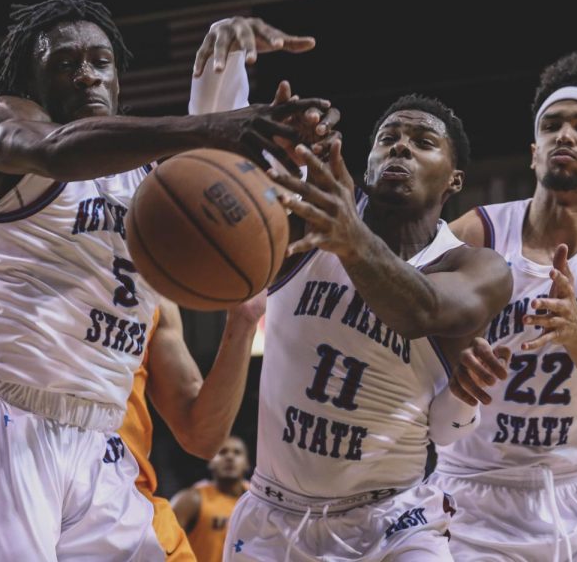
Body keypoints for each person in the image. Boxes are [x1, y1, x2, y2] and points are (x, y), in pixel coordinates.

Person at [0, 4, 329, 560]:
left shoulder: (151, 197)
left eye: (100, 61)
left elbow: (211, 167)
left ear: (117, 76)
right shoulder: (3, 124)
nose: (86, 74)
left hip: (105, 446)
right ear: (34, 85)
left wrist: (222, 59)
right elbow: (61, 149)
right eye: (65, 64)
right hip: (10, 428)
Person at [219, 75, 514, 558]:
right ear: (369, 161)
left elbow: (422, 311)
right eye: (387, 139)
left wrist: (462, 401)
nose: (400, 148)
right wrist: (226, 73)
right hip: (274, 517)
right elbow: (220, 178)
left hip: (393, 519)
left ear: (453, 178)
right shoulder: (308, 219)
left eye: (423, 143)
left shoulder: (475, 267)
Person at [432, 52, 577, 561]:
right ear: (534, 152)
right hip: (471, 495)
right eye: (552, 125)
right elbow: (404, 349)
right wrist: (451, 370)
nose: (565, 135)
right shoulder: (475, 234)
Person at [171, 436, 251, 562]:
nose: (229, 457)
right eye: (222, 452)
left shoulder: (259, 502)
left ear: (246, 463)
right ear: (211, 462)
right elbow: (166, 545)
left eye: (237, 452)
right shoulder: (191, 500)